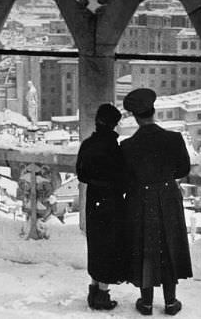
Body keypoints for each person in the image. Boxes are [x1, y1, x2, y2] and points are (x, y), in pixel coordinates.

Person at [120, 88, 192, 316]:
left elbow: (125, 178)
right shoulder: (174, 139)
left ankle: (147, 302)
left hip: (140, 199)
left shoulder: (127, 146)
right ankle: (171, 302)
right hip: (168, 197)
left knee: (145, 246)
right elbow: (183, 169)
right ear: (154, 111)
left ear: (135, 116)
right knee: (169, 243)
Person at [76, 103, 127, 311]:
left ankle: (94, 288)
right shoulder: (114, 148)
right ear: (114, 124)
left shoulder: (87, 144)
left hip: (93, 198)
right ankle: (102, 295)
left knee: (95, 243)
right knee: (108, 246)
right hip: (111, 200)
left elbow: (81, 174)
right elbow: (123, 178)